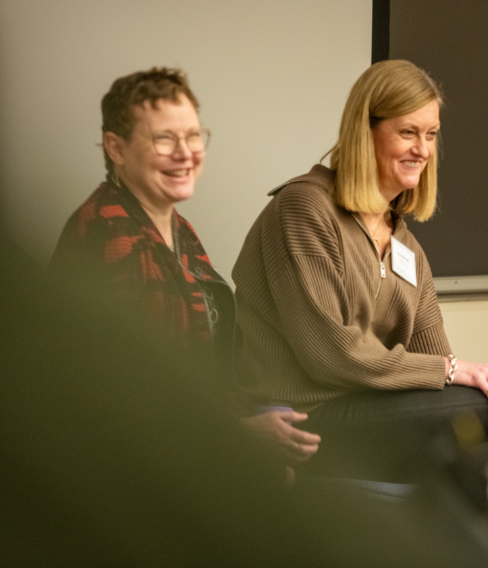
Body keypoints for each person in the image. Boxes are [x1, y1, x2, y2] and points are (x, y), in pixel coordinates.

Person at [232, 59, 488, 568]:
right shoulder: (304, 210)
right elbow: (331, 356)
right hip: (309, 422)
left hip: (377, 415)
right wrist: (453, 373)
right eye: (407, 132)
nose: (422, 149)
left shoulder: (402, 240)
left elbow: (433, 357)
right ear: (365, 132)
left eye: (431, 134)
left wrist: (453, 374)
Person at [49, 67, 319, 463]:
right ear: (116, 147)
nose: (185, 153)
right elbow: (116, 399)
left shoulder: (179, 228)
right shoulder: (104, 232)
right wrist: (241, 436)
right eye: (164, 139)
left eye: (193, 136)